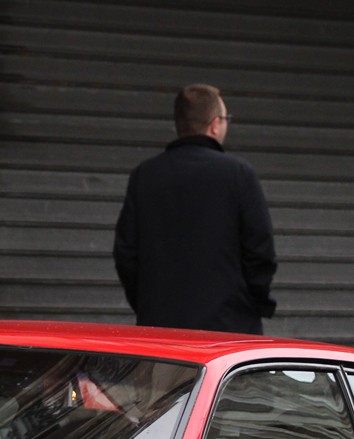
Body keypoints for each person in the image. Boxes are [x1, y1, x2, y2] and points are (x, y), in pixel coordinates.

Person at [113, 84, 277, 333]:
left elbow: (126, 254)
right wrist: (253, 302)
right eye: (226, 119)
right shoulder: (238, 174)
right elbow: (260, 249)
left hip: (161, 331)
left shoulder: (145, 176)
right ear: (214, 124)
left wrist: (149, 305)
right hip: (229, 329)